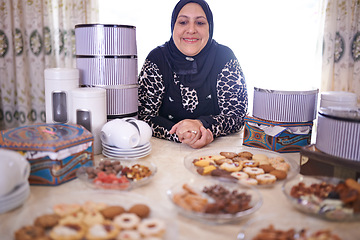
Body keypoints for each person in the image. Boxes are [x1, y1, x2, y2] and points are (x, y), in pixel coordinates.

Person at [138, 0, 248, 149]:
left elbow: (237, 116)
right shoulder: (157, 59)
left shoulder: (224, 57)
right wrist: (182, 134)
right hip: (165, 153)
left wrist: (202, 125)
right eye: (183, 22)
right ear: (173, 26)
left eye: (200, 23)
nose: (191, 30)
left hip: (216, 152)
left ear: (210, 26)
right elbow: (143, 115)